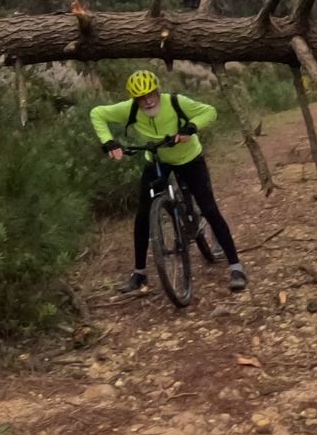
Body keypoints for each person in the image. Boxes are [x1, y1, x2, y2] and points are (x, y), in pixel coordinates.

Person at [89, 69, 248, 294]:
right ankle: (139, 274)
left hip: (189, 158)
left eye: (151, 94)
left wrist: (191, 127)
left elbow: (209, 112)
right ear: (134, 99)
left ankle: (236, 267)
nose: (147, 100)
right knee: (143, 215)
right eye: (141, 97)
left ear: (157, 91)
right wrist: (109, 142)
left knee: (209, 208)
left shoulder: (176, 102)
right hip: (157, 159)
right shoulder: (130, 109)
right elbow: (97, 113)